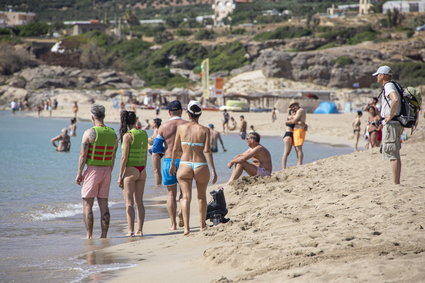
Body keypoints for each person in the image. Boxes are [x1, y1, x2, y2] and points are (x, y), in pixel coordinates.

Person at [170, 101, 217, 235]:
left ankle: (186, 228)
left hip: (184, 164)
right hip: (200, 164)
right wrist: (213, 170)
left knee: (185, 197)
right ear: (200, 114)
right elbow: (207, 151)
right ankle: (202, 226)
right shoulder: (205, 130)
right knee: (201, 197)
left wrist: (173, 164)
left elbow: (175, 148)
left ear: (188, 113)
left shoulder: (181, 128)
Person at [75, 104, 118, 239]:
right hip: (107, 170)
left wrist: (79, 173)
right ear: (104, 116)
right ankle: (104, 235)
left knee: (87, 203)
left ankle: (89, 235)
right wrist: (110, 170)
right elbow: (113, 156)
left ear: (92, 116)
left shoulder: (89, 133)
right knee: (104, 204)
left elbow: (83, 155)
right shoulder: (113, 134)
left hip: (93, 170)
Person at [152, 100, 188, 230]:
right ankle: (182, 213)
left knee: (171, 194)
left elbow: (156, 149)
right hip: (185, 160)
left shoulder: (163, 127)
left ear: (169, 112)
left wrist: (165, 150)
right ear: (181, 111)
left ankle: (173, 225)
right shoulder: (188, 125)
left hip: (168, 161)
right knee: (184, 192)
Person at [118, 111, 149, 237]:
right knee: (139, 202)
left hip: (131, 171)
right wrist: (143, 168)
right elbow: (146, 154)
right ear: (135, 120)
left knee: (129, 203)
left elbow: (124, 158)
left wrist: (120, 176)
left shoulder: (128, 136)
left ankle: (130, 231)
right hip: (142, 170)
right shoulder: (144, 133)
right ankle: (140, 230)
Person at [373, 65, 403, 184]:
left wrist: (389, 116)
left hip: (392, 123)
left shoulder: (389, 86)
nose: (377, 77)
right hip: (395, 123)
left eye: (378, 75)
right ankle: (396, 181)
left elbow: (394, 99)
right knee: (394, 151)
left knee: (392, 152)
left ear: (384, 76)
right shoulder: (394, 85)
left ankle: (395, 183)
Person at [285, 102, 307, 166]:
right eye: (292, 107)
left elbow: (293, 121)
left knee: (298, 148)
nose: (293, 108)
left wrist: (287, 121)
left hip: (299, 130)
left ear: (297, 104)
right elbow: (297, 121)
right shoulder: (298, 111)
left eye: (294, 106)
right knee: (296, 148)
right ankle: (298, 163)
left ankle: (299, 163)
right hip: (297, 130)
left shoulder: (300, 111)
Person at [149, 118, 163, 186]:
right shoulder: (155, 130)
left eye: (152, 122)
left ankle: (158, 185)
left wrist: (150, 147)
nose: (151, 124)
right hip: (155, 151)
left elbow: (158, 142)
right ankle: (159, 185)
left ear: (155, 123)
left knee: (156, 170)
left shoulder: (157, 131)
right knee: (157, 170)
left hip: (156, 151)